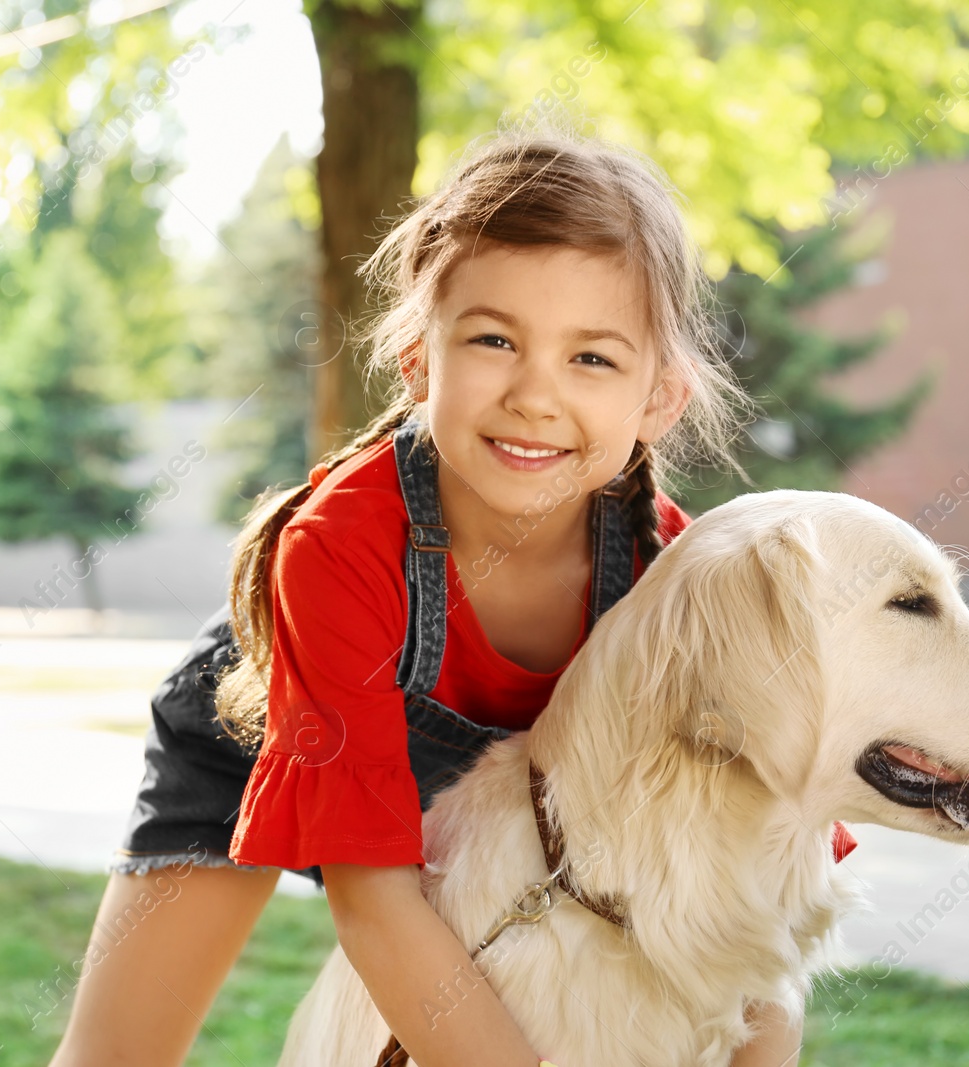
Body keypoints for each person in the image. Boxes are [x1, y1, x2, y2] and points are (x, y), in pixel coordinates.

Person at [47, 130, 807, 1066]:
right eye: (494, 339)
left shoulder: (679, 587)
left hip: (498, 793)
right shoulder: (336, 548)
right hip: (260, 723)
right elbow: (373, 897)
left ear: (662, 397)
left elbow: (764, 883)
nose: (535, 394)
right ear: (416, 356)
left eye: (593, 359)